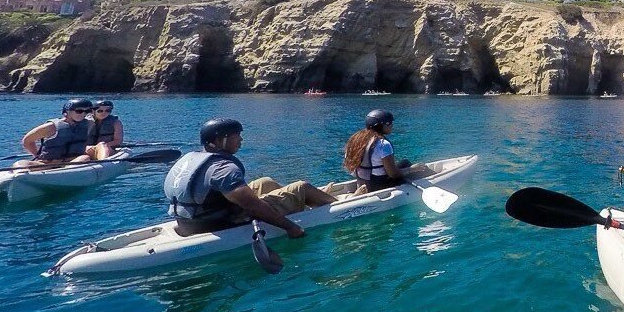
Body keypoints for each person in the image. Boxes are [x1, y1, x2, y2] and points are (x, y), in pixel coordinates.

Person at [164, 118, 335, 238]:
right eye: (236, 135)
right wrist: (291, 227)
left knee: (265, 182)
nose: (241, 139)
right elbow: (252, 206)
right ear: (220, 140)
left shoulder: (192, 159)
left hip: (190, 221)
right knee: (301, 187)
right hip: (218, 224)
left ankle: (310, 199)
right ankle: (331, 202)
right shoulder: (223, 169)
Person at [339, 109, 430, 193]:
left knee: (404, 163)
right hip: (380, 186)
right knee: (411, 167)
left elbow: (352, 170)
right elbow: (393, 174)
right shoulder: (383, 144)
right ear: (380, 125)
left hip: (364, 183)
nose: (391, 125)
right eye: (389, 123)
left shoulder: (355, 140)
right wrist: (412, 169)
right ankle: (433, 181)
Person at [16, 98, 95, 167]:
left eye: (87, 111)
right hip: (47, 163)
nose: (84, 114)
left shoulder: (88, 124)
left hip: (73, 161)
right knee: (20, 163)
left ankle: (66, 171)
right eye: (79, 111)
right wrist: (37, 155)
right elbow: (27, 141)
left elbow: (100, 114)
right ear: (67, 112)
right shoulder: (51, 126)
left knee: (84, 158)